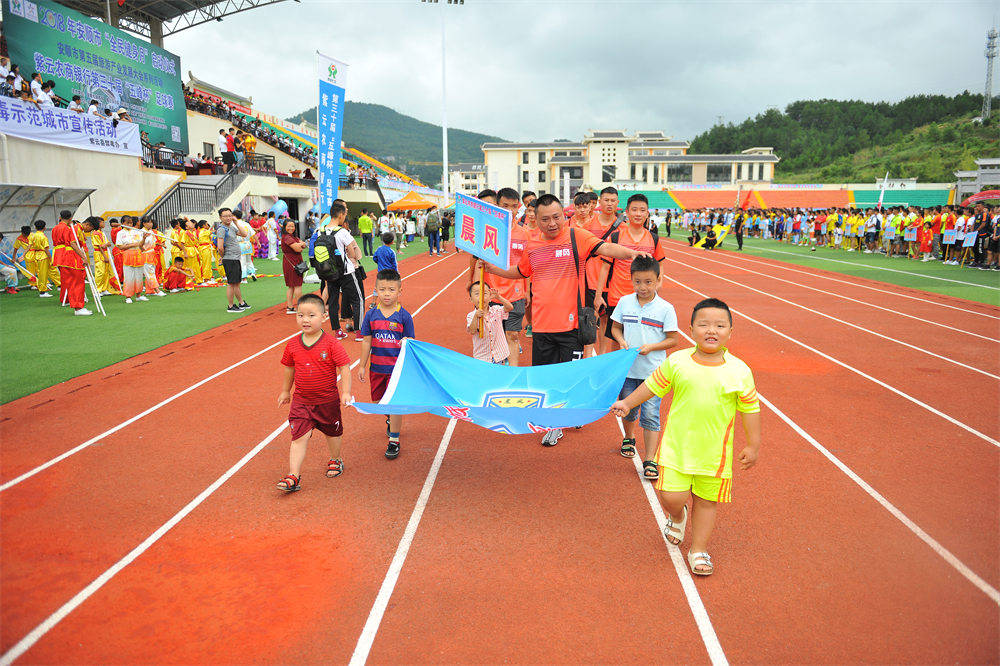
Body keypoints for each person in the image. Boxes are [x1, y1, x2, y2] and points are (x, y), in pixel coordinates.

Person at [480, 193, 651, 447]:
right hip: (541, 326)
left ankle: (560, 422)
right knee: (545, 379)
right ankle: (554, 421)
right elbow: (520, 271)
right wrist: (493, 269)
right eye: (545, 219)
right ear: (535, 220)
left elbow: (605, 248)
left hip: (571, 326)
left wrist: (631, 254)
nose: (552, 223)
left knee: (569, 378)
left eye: (557, 217)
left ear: (564, 216)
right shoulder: (533, 245)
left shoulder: (576, 237)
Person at [611, 298, 761, 576]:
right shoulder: (678, 361)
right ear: (690, 330)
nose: (711, 330)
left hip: (714, 454)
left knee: (706, 502)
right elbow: (652, 386)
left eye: (719, 325)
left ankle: (699, 549)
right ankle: (678, 516)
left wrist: (753, 445)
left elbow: (750, 409)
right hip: (677, 448)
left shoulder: (740, 370)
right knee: (671, 496)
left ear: (731, 331)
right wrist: (629, 403)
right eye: (703, 324)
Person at [609, 256, 679, 478]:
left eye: (649, 282)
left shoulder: (666, 309)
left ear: (659, 280)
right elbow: (615, 328)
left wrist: (652, 347)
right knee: (627, 411)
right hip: (629, 371)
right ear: (631, 280)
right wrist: (621, 341)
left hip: (653, 373)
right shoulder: (624, 302)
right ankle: (628, 439)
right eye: (638, 282)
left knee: (651, 414)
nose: (643, 287)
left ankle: (650, 459)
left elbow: (673, 339)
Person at [276, 292, 353, 493]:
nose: (305, 320)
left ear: (324, 317)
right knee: (298, 436)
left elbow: (344, 367)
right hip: (301, 401)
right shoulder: (293, 344)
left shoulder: (331, 344)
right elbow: (289, 368)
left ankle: (336, 459)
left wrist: (346, 392)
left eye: (311, 315)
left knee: (333, 433)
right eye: (301, 315)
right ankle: (294, 475)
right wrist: (285, 391)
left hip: (327, 401)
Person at [595, 193, 666, 352]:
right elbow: (605, 267)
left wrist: (658, 285)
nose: (638, 214)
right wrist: (599, 295)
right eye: (634, 210)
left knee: (642, 339)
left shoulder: (653, 238)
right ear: (627, 212)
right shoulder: (616, 236)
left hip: (645, 299)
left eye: (642, 210)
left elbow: (660, 266)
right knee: (617, 340)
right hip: (618, 298)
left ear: (647, 213)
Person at [358, 269, 415, 459]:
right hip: (377, 368)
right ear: (376, 291)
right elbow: (367, 341)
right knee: (379, 402)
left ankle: (394, 440)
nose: (387, 293)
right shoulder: (371, 315)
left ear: (400, 291)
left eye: (391, 289)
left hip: (396, 370)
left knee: (395, 403)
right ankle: (390, 418)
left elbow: (410, 343)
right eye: (382, 289)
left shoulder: (404, 316)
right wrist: (361, 365)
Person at [51, 212, 98, 315]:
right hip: (69, 256)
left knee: (68, 281)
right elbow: (72, 243)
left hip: (60, 255)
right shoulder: (71, 228)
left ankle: (70, 302)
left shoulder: (56, 228)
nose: (90, 231)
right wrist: (83, 257)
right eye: (91, 229)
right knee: (76, 282)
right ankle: (78, 307)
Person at [467, 282, 513, 364]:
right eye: (477, 294)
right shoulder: (471, 316)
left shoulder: (496, 310)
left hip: (499, 355)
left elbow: (509, 307)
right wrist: (476, 317)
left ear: (490, 298)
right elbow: (472, 331)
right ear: (471, 299)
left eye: (484, 293)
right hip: (482, 358)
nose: (481, 297)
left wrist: (498, 297)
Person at [216, 208, 249, 312]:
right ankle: (230, 306)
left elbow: (244, 234)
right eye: (225, 216)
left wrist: (236, 222)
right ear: (221, 218)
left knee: (236, 283)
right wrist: (223, 256)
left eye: (230, 215)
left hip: (235, 258)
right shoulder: (222, 229)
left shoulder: (231, 227)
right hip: (230, 259)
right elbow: (220, 247)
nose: (228, 218)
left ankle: (241, 303)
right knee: (231, 283)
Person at [26, 220, 58, 297]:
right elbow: (46, 249)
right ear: (44, 227)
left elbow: (29, 246)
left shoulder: (32, 235)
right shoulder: (43, 237)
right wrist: (51, 258)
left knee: (44, 272)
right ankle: (42, 291)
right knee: (43, 274)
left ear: (35, 227)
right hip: (43, 256)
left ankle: (58, 284)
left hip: (37, 255)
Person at [281, 219, 307, 314]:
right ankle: (300, 308)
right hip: (292, 263)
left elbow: (302, 245)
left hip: (292, 262)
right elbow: (298, 248)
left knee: (291, 286)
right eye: (289, 226)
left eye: (293, 226)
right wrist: (301, 244)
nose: (291, 228)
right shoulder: (287, 237)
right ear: (284, 227)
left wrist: (300, 244)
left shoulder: (291, 236)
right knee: (297, 285)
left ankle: (290, 307)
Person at [90, 217, 119, 295]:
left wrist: (105, 245)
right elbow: (100, 246)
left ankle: (104, 288)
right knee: (100, 272)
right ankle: (97, 289)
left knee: (106, 271)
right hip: (99, 253)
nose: (104, 224)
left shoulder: (102, 232)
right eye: (102, 222)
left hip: (105, 252)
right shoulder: (95, 233)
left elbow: (108, 244)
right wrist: (105, 255)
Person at [139, 217, 166, 297]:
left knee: (151, 271)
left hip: (152, 253)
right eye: (148, 222)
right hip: (146, 254)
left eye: (151, 222)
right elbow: (140, 244)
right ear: (144, 223)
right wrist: (143, 248)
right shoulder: (141, 232)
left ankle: (150, 290)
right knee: (150, 273)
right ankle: (157, 290)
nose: (151, 224)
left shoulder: (151, 231)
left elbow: (154, 243)